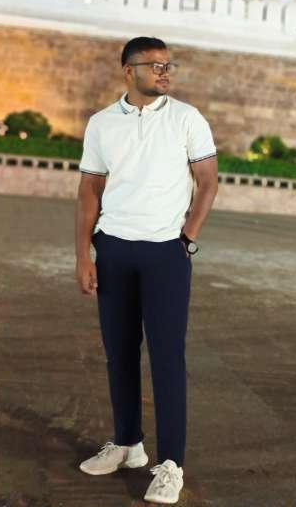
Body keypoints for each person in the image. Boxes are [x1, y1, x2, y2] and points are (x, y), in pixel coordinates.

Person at [75, 36, 218, 504]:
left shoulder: (186, 118)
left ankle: (171, 464)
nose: (164, 72)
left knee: (167, 357)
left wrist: (188, 238)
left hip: (165, 254)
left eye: (167, 65)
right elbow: (90, 191)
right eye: (154, 65)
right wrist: (83, 255)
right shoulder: (101, 124)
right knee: (119, 353)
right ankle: (128, 444)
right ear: (128, 71)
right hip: (114, 250)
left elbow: (208, 181)